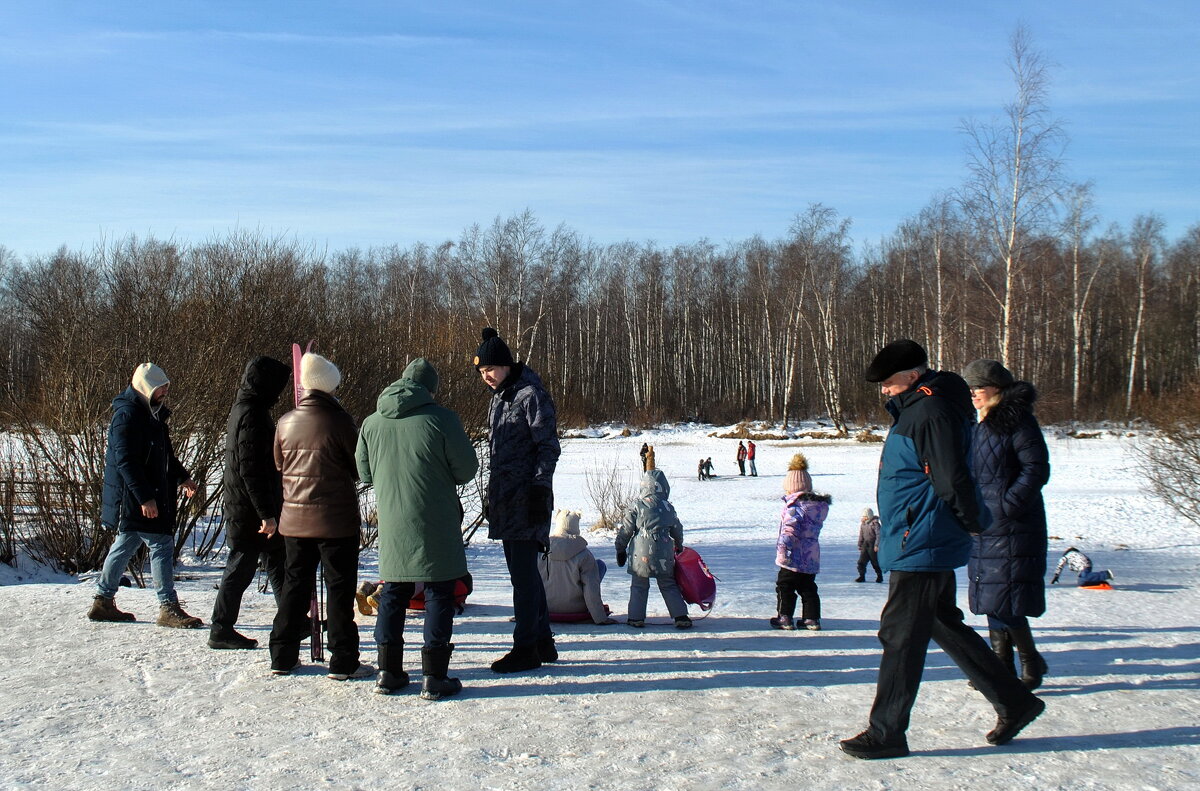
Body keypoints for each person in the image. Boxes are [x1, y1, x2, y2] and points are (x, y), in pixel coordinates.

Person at [839, 339, 1044, 760]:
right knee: (941, 622)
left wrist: (975, 521)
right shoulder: (918, 407)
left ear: (913, 376)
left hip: (923, 535)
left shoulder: (929, 412)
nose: (884, 391)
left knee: (900, 634)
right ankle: (1015, 701)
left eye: (889, 382)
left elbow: (950, 477)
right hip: (916, 531)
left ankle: (887, 732)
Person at [356, 358, 479, 699]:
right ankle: (434, 677)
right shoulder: (442, 420)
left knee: (394, 590)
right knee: (440, 590)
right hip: (435, 517)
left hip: (393, 519)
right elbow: (466, 468)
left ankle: (388, 672)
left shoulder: (371, 423)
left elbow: (364, 473)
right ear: (429, 389)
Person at [267, 352, 370, 680]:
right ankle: (342, 660)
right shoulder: (340, 421)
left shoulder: (284, 422)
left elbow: (280, 465)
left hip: (294, 520)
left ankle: (282, 655)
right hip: (335, 520)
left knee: (294, 586)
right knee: (339, 589)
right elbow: (359, 467)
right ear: (329, 385)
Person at [474, 327, 561, 673]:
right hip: (506, 498)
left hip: (528, 498)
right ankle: (542, 641)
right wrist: (491, 494)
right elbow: (498, 453)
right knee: (523, 574)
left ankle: (525, 647)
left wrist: (540, 488)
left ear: (507, 364)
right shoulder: (501, 397)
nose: (487, 377)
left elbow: (548, 446)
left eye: (491, 369)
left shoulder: (530, 395)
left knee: (523, 577)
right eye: (482, 372)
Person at [89, 363, 202, 628]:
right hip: (137, 497)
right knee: (161, 543)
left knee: (126, 543)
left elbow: (164, 456)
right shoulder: (128, 416)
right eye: (160, 387)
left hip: (146, 495)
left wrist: (182, 476)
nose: (165, 391)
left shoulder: (152, 415)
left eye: (165, 386)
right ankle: (167, 607)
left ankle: (103, 601)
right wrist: (144, 498)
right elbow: (125, 461)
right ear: (146, 387)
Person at [963, 359, 1052, 690]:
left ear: (997, 390)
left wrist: (1007, 506)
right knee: (993, 596)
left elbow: (1036, 469)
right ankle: (1003, 665)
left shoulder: (1018, 422)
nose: (973, 394)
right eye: (970, 389)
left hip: (1014, 525)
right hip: (985, 525)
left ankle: (1027, 662)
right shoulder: (980, 425)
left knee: (1004, 596)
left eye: (979, 388)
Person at [209, 356, 291, 650]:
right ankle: (221, 628)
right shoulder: (252, 415)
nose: (279, 394)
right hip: (248, 509)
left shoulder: (248, 409)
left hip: (253, 505)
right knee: (241, 566)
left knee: (278, 562)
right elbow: (250, 468)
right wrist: (266, 513)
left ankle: (292, 619)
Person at [615, 468, 691, 629]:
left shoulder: (637, 506)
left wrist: (620, 548)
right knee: (668, 583)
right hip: (664, 552)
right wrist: (679, 545)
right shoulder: (668, 507)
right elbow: (677, 528)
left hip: (640, 553)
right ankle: (680, 616)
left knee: (639, 585)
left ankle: (636, 617)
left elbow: (626, 530)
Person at [770, 453, 830, 631]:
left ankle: (785, 617)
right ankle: (811, 618)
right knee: (808, 587)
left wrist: (783, 550)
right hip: (811, 556)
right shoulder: (816, 507)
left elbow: (789, 530)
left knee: (785, 586)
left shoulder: (795, 507)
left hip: (793, 556)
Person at [539, 510, 615, 624]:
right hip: (577, 608)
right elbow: (591, 588)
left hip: (546, 606)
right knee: (599, 565)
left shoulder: (541, 551)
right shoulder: (584, 554)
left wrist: (524, 614)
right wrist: (600, 618)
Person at [856, 508, 883, 583]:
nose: (863, 518)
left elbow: (879, 535)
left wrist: (877, 545)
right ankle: (862, 576)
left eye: (864, 516)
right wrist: (860, 544)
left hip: (873, 545)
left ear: (868, 516)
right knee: (861, 561)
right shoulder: (863, 524)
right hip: (865, 544)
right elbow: (861, 535)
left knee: (874, 561)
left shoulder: (875, 524)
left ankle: (879, 576)